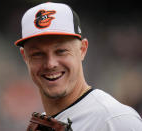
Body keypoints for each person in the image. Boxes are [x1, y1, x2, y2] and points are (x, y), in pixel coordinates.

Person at [14, 2, 142, 130]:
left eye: (61, 51)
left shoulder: (115, 120)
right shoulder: (43, 123)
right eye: (37, 54)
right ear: (25, 56)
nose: (50, 64)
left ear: (82, 49)